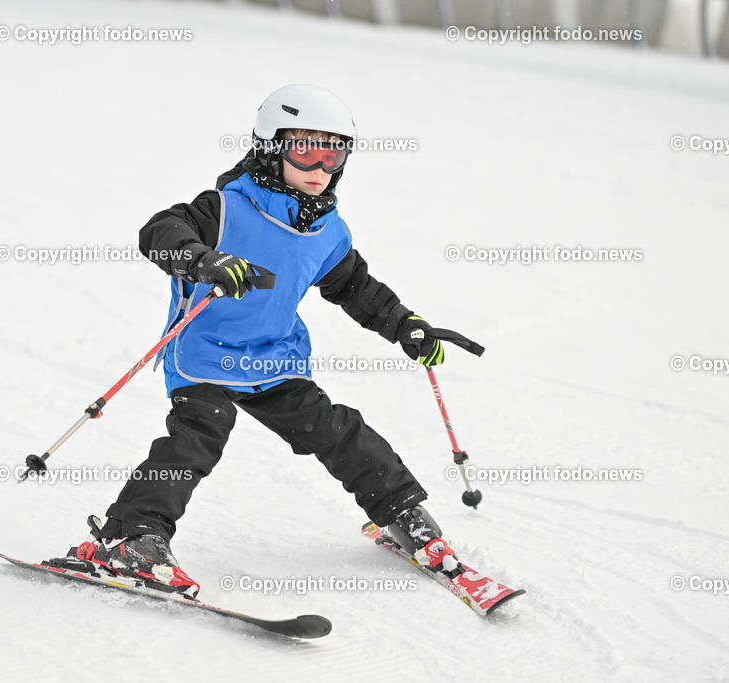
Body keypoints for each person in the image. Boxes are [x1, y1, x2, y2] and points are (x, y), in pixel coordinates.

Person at [64, 84, 460, 599]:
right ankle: (132, 539)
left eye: (333, 153)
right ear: (271, 148)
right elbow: (159, 231)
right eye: (305, 149)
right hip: (205, 355)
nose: (320, 167)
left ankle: (404, 515)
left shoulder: (327, 230)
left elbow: (355, 288)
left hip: (274, 359)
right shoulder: (224, 208)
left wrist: (403, 323)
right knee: (195, 441)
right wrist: (204, 259)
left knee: (339, 431)